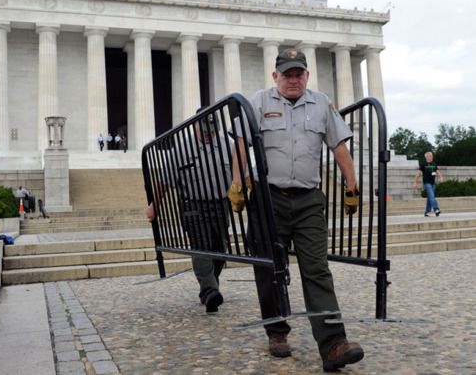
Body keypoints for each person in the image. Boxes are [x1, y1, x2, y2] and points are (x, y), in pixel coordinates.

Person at [227, 48, 364, 371]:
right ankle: (277, 332)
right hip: (267, 199)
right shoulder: (258, 102)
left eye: (298, 74)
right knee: (269, 269)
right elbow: (241, 144)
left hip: (308, 199)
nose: (293, 80)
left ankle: (333, 344)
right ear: (275, 76)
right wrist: (237, 183)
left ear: (307, 75)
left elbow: (338, 145)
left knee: (317, 268)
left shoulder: (321, 103)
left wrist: (352, 185)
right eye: (286, 74)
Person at [145, 116, 234, 313]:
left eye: (212, 131)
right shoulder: (181, 149)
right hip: (192, 204)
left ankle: (210, 283)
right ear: (195, 127)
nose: (209, 135)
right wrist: (155, 206)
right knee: (200, 246)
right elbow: (164, 181)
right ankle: (209, 291)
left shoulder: (229, 145)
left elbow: (240, 173)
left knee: (220, 249)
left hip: (220, 203)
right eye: (204, 131)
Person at [413, 151, 444, 216]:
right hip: (427, 183)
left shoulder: (434, 164)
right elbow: (418, 173)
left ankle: (427, 212)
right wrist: (415, 182)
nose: (431, 157)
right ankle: (436, 209)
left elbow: (437, 171)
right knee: (432, 196)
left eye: (432, 156)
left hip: (433, 183)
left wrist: (441, 177)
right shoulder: (423, 164)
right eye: (430, 156)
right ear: (426, 157)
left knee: (430, 197)